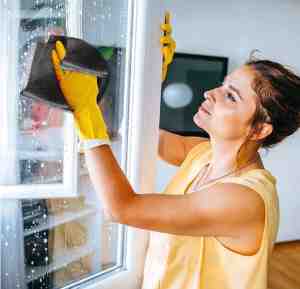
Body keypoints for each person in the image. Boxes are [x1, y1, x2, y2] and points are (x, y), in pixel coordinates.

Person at [51, 17, 300, 289]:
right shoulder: (204, 153)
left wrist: (86, 111)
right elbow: (141, 135)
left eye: (231, 96)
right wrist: (147, 80)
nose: (209, 93)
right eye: (223, 85)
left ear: (260, 130)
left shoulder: (242, 199)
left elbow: (122, 208)